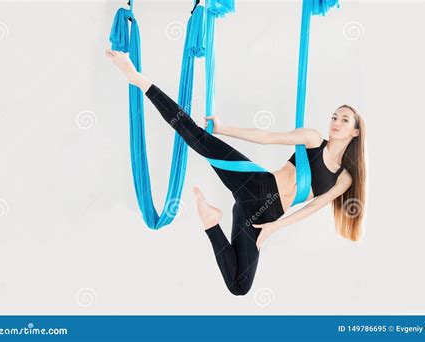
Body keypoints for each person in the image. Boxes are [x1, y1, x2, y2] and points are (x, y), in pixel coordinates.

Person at [105, 49, 367, 296]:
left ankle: (211, 222)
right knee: (196, 136)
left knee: (239, 286)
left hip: (261, 216)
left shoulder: (344, 178)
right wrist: (223, 129)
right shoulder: (312, 139)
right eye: (334, 117)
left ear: (355, 131)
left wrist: (273, 228)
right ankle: (138, 78)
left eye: (344, 120)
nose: (336, 123)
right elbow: (267, 137)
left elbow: (312, 208)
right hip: (256, 184)